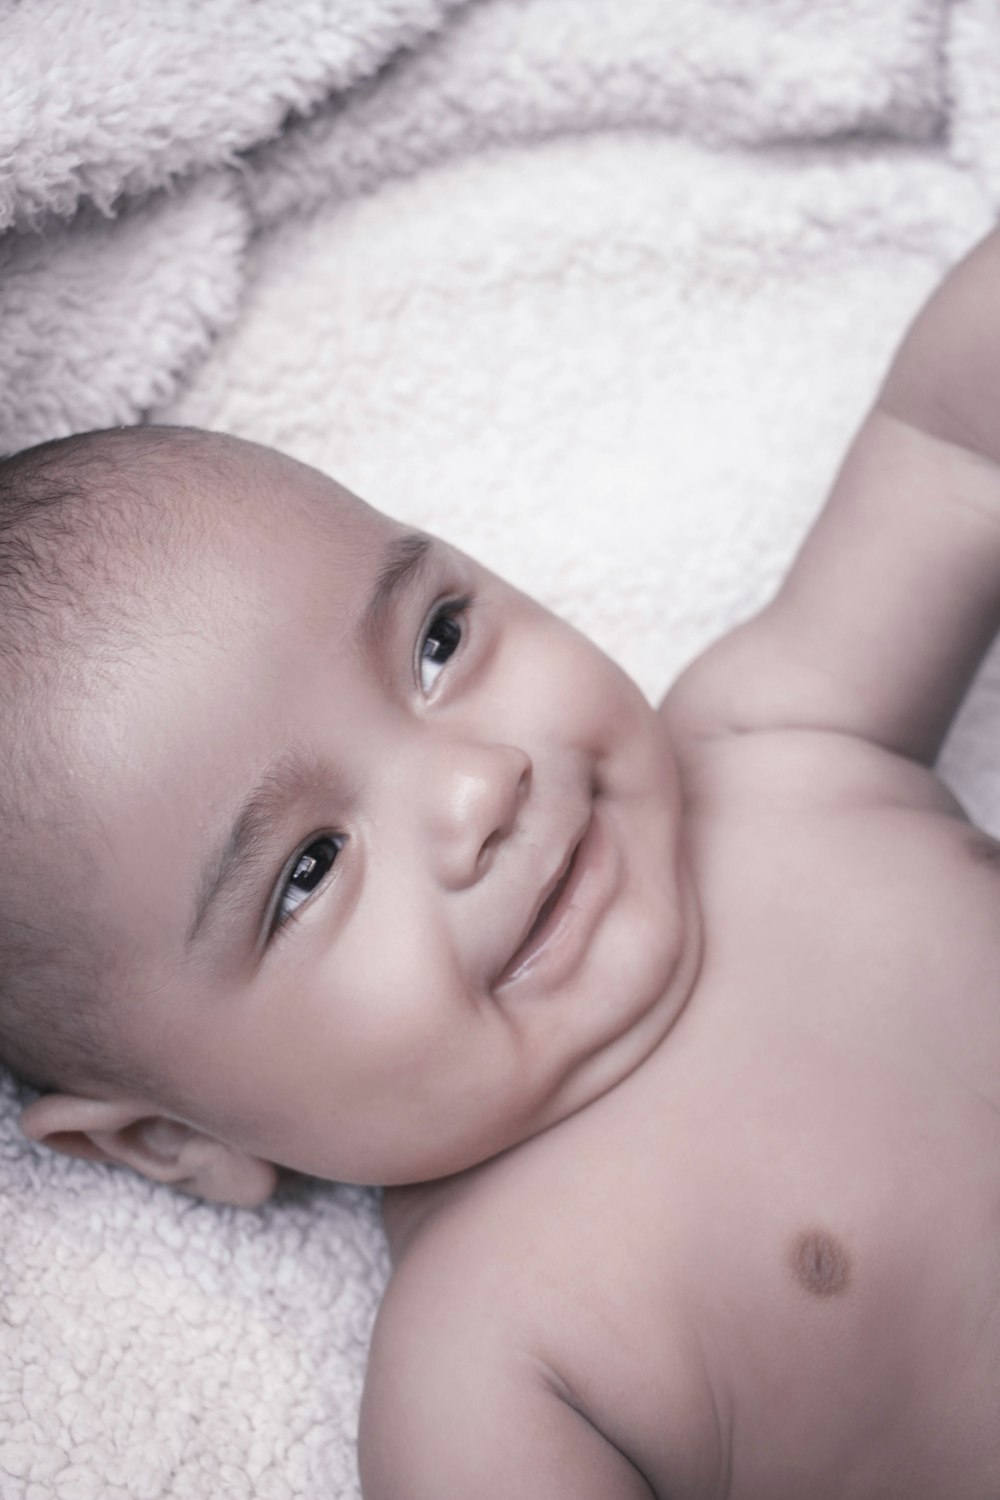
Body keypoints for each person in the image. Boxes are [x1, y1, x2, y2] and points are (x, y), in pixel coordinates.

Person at [3, 225, 1000, 1499]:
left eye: (435, 642)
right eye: (308, 871)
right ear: (167, 1139)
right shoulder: (499, 1361)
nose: (479, 788)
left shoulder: (771, 741)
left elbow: (953, 449)